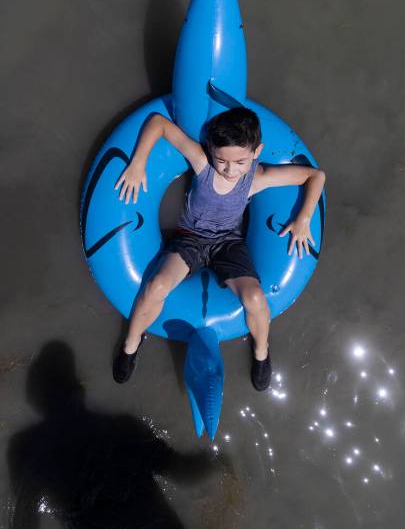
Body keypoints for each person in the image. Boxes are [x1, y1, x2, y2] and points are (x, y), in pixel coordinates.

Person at [112, 107, 325, 390]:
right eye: (221, 159)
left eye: (239, 161)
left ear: (256, 151)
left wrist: (304, 219)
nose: (228, 169)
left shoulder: (257, 178)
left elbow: (316, 176)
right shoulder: (203, 163)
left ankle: (261, 352)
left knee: (255, 298)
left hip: (228, 243)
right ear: (210, 149)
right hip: (190, 237)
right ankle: (131, 344)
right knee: (157, 285)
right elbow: (159, 123)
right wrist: (138, 163)